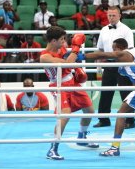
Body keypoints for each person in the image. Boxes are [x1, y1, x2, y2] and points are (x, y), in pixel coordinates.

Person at [40, 26, 99, 160]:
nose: (64, 41)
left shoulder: (61, 48)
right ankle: (52, 149)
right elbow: (67, 63)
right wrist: (76, 47)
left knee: (89, 110)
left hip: (72, 82)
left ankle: (82, 136)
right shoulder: (45, 56)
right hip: (59, 85)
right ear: (53, 41)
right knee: (65, 116)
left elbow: (71, 61)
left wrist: (78, 69)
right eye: (61, 39)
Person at [93, 6, 135, 129]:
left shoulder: (126, 30)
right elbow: (100, 48)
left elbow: (130, 49)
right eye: (109, 15)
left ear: (119, 15)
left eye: (114, 15)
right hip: (108, 64)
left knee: (126, 93)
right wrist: (98, 63)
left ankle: (130, 120)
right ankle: (103, 119)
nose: (111, 18)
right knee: (106, 92)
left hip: (122, 64)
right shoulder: (103, 30)